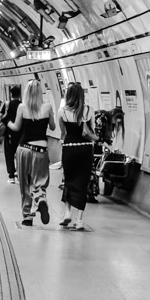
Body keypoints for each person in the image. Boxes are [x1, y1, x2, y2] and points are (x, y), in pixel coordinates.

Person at [7, 78, 56, 226]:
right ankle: (40, 199)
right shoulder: (47, 107)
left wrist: (7, 122)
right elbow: (53, 127)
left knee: (25, 183)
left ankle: (27, 216)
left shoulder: (22, 107)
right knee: (40, 180)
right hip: (41, 149)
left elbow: (16, 127)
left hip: (24, 148)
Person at [58, 83, 95, 231]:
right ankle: (79, 220)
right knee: (82, 182)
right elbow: (91, 131)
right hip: (85, 149)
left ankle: (67, 212)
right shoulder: (89, 110)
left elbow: (63, 132)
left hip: (69, 148)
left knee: (68, 180)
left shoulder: (62, 111)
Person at [1, 83, 22, 180]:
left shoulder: (7, 104)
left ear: (11, 94)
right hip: (21, 133)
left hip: (9, 133)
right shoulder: (22, 105)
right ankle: (20, 172)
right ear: (20, 94)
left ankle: (11, 176)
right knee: (19, 154)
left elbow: (1, 116)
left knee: (9, 154)